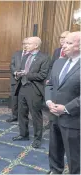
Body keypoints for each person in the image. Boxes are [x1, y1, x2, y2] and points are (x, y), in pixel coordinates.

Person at [45, 31, 80, 174]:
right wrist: (48, 101)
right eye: (64, 42)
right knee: (54, 148)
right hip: (54, 115)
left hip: (74, 118)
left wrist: (66, 108)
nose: (63, 46)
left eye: (69, 43)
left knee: (74, 154)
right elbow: (50, 85)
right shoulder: (59, 62)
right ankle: (55, 170)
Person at [12, 37, 49, 148]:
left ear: (36, 45)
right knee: (21, 113)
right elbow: (22, 71)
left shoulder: (44, 57)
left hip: (34, 89)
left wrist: (26, 74)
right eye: (26, 43)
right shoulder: (26, 56)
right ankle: (24, 134)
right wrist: (18, 74)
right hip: (22, 87)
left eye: (29, 43)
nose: (26, 45)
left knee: (35, 115)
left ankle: (37, 139)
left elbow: (42, 75)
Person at [6, 38, 29, 123]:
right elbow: (12, 65)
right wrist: (15, 72)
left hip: (26, 81)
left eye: (27, 43)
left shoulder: (31, 55)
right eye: (24, 43)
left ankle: (23, 118)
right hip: (15, 80)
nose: (25, 45)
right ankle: (14, 115)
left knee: (24, 100)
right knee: (14, 99)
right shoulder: (16, 54)